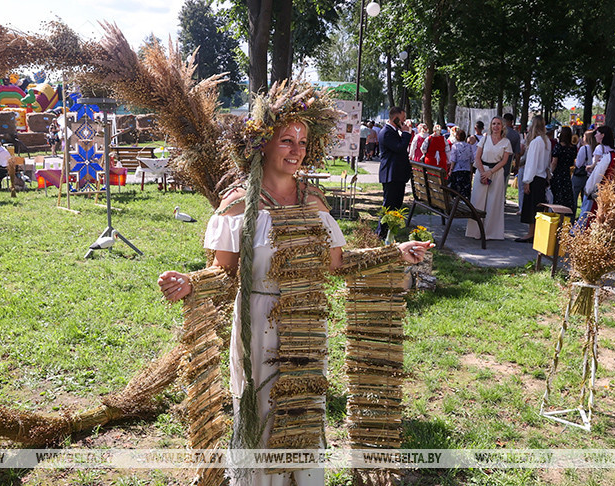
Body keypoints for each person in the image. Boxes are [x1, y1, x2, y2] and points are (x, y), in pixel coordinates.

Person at [156, 83, 432, 486]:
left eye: (302, 142)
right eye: (286, 140)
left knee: (303, 412)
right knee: (261, 416)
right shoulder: (237, 203)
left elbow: (337, 263)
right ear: (262, 144)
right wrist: (191, 284)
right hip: (257, 325)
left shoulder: (314, 201)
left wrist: (395, 252)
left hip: (305, 327)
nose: (296, 150)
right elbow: (224, 273)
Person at [466, 116, 512, 240]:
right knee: (478, 201)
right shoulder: (485, 139)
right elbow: (477, 157)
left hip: (496, 173)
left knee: (494, 202)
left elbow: (504, 161)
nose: (495, 126)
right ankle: (475, 231)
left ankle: (491, 233)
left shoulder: (506, 142)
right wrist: (483, 173)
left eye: (498, 124)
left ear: (502, 126)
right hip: (482, 170)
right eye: (493, 124)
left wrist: (490, 172)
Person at [517, 116, 552, 242]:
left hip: (534, 178)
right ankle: (535, 233)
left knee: (532, 208)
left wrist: (527, 181)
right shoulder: (546, 141)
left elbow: (531, 163)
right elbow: (547, 162)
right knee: (538, 207)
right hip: (541, 177)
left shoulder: (536, 142)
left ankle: (530, 233)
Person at [578, 125, 615, 226]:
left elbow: (596, 167)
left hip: (597, 183)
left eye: (597, 133)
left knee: (589, 210)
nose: (595, 135)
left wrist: (589, 167)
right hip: (609, 185)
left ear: (603, 135)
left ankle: (581, 230)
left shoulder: (600, 148)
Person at [377, 106, 413, 215]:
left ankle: (390, 230)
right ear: (396, 118)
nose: (404, 121)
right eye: (403, 118)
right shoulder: (387, 132)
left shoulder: (394, 131)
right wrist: (406, 134)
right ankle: (382, 231)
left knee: (396, 205)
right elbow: (399, 148)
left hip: (397, 175)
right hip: (391, 174)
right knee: (389, 205)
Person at [550, 125, 577, 211]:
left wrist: (550, 173)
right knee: (565, 196)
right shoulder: (573, 148)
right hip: (566, 173)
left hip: (558, 173)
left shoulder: (558, 147)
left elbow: (554, 162)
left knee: (557, 195)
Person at [572, 129, 595, 211]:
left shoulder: (584, 148)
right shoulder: (594, 148)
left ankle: (572, 216)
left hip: (579, 175)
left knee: (574, 196)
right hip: (588, 176)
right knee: (585, 198)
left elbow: (578, 164)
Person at [448, 128, 473, 199]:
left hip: (457, 171)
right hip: (466, 171)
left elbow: (453, 160)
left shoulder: (455, 146)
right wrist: (470, 171)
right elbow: (471, 160)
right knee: (465, 192)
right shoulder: (469, 146)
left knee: (456, 192)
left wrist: (450, 170)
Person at [503, 113, 522, 197]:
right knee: (503, 183)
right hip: (507, 162)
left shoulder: (498, 131)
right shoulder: (515, 135)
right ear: (512, 122)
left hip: (494, 161)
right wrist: (516, 166)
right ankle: (501, 200)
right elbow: (517, 153)